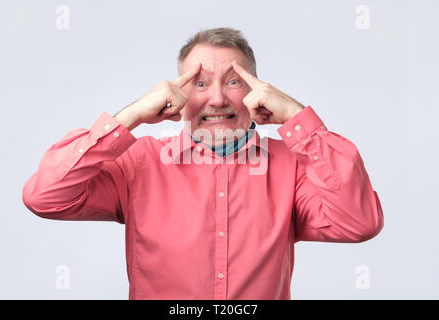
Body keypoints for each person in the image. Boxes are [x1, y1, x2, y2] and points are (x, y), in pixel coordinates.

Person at [22, 27, 384, 300]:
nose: (216, 98)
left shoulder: (294, 165)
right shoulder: (138, 162)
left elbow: (359, 223)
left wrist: (297, 117)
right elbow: (46, 196)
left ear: (258, 90)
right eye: (199, 83)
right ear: (175, 95)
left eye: (233, 81)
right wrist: (130, 116)